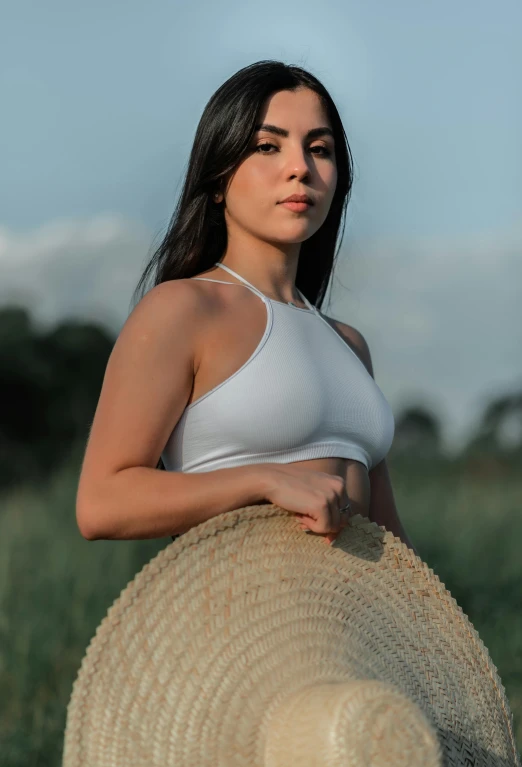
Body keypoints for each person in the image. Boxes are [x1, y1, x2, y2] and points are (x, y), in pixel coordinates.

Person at [75, 59, 417, 554]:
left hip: (345, 625)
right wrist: (263, 480)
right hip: (240, 620)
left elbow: (391, 544)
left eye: (318, 149)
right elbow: (102, 501)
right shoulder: (183, 309)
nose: (300, 167)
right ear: (217, 181)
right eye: (267, 146)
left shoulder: (349, 345)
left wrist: (435, 627)